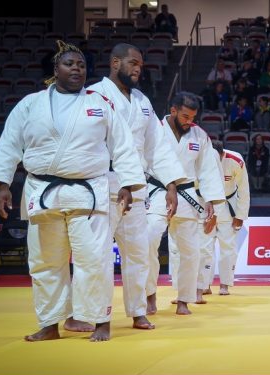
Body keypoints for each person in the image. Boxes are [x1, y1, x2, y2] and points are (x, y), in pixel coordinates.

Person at [0, 40, 146, 342]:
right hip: (43, 190)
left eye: (81, 65)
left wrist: (127, 182)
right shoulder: (31, 104)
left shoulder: (99, 104)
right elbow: (9, 144)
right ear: (55, 69)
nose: (76, 69)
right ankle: (50, 323)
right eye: (70, 64)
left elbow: (122, 146)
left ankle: (100, 321)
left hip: (89, 192)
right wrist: (3, 185)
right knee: (46, 261)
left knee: (94, 259)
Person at [82, 43, 186, 332]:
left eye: (141, 64)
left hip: (136, 186)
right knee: (95, 254)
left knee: (139, 252)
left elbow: (157, 147)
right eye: (132, 63)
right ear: (115, 63)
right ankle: (87, 313)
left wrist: (171, 184)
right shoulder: (93, 96)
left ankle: (138, 310)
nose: (138, 68)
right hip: (101, 183)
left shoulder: (142, 101)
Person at [145, 92, 225, 316]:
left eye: (193, 117)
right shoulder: (154, 130)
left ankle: (184, 299)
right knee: (150, 239)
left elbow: (209, 170)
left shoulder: (200, 136)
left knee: (191, 250)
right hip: (158, 190)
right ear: (173, 111)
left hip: (188, 194)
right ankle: (149, 294)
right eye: (185, 116)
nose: (189, 121)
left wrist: (211, 203)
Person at [198, 147, 250, 298]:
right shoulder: (200, 159)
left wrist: (240, 215)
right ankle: (204, 284)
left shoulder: (235, 160)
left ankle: (224, 284)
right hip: (207, 205)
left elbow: (244, 188)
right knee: (204, 247)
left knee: (228, 246)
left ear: (221, 154)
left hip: (228, 205)